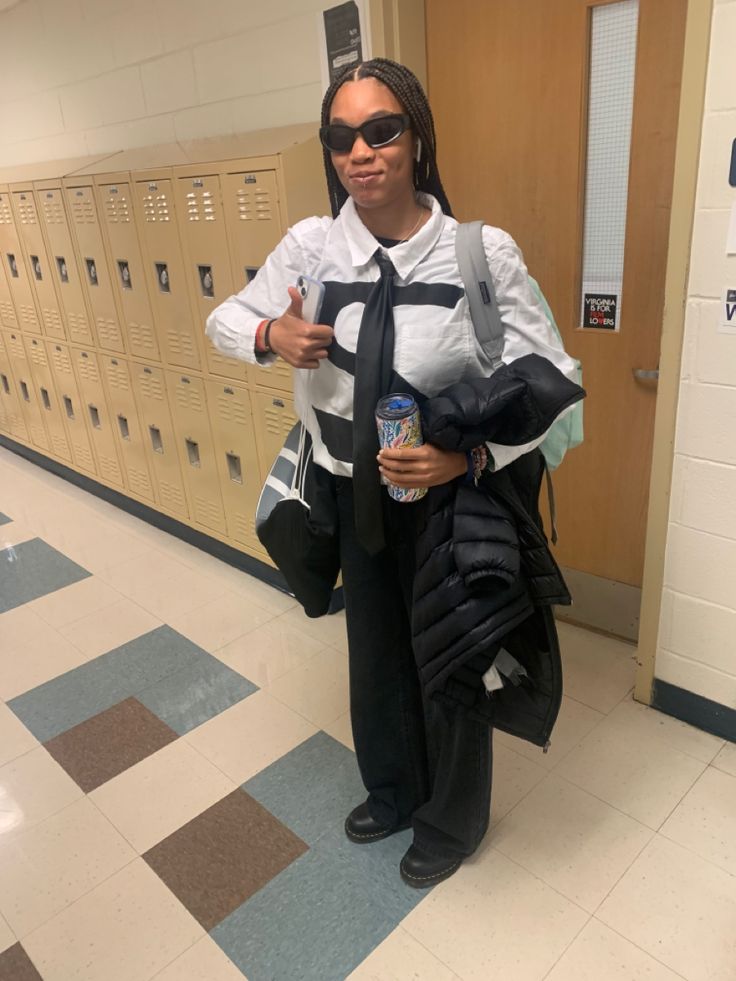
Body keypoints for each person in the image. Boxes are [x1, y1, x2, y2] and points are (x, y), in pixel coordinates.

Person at [206, 58, 578, 888]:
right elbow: (221, 318)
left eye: (382, 131)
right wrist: (272, 337)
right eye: (343, 137)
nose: (361, 153)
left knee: (449, 655)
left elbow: (548, 379)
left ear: (417, 137)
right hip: (348, 486)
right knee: (373, 653)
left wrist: (467, 455)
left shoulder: (479, 255)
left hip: (445, 501)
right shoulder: (311, 248)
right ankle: (393, 788)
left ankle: (450, 820)